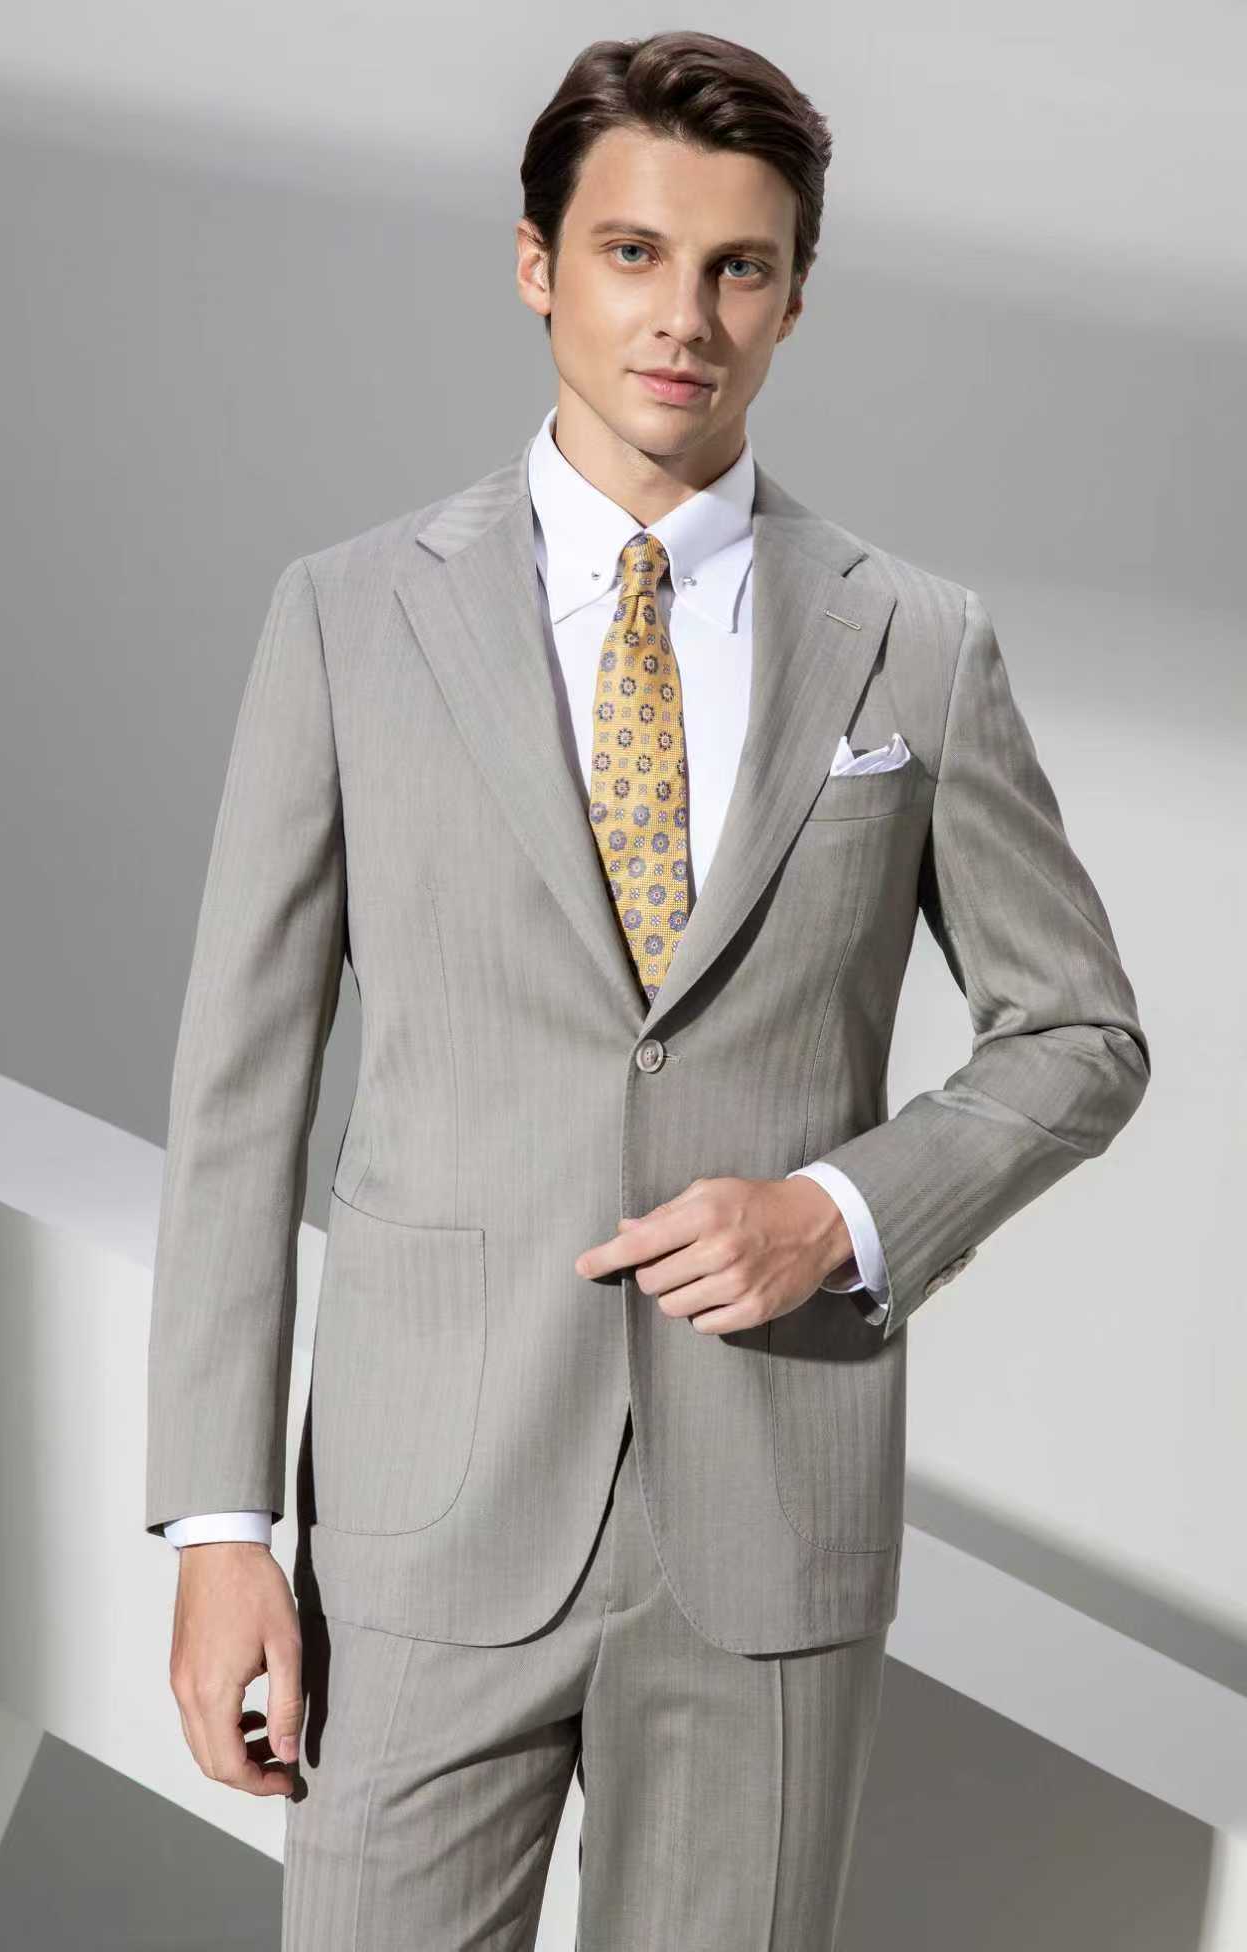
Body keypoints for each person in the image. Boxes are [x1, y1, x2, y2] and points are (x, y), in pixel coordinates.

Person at [145, 30, 1151, 1950]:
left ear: (793, 298)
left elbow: (1081, 1033)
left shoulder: (915, 643)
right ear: (538, 265)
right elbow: (238, 1100)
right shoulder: (349, 617)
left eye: (738, 267)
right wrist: (217, 1531)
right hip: (419, 1532)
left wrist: (837, 1211)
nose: (684, 317)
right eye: (632, 254)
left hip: (768, 1528)